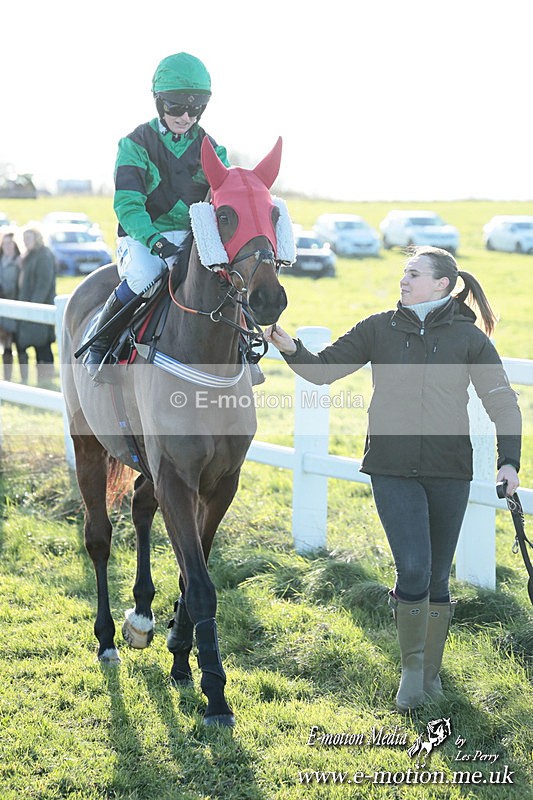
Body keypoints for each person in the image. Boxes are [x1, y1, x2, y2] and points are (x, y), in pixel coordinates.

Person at [265, 246, 521, 712]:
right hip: (392, 468)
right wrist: (290, 347)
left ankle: (431, 675)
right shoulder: (379, 327)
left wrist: (509, 461)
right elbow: (323, 371)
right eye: (404, 273)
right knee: (415, 569)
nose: (403, 281)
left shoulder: (469, 338)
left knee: (439, 577)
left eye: (414, 274)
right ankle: (410, 672)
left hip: (449, 471)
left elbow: (502, 400)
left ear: (442, 283)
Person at [83, 51, 229, 380]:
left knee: (227, 280)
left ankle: (244, 354)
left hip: (193, 238)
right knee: (146, 276)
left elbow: (220, 202)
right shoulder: (134, 144)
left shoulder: (213, 149)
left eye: (195, 107)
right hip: (142, 238)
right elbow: (128, 206)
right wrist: (158, 244)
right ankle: (101, 344)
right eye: (176, 105)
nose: (186, 115)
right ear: (158, 101)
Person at [16, 227, 57, 384]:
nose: (26, 241)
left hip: (39, 308)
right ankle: (39, 380)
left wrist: (33, 308)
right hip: (29, 308)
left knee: (43, 345)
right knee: (34, 343)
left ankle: (46, 379)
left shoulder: (44, 255)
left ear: (37, 238)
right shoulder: (30, 255)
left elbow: (43, 284)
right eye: (24, 238)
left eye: (29, 238)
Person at [0, 231, 22, 380]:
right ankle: (7, 379)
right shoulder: (1, 261)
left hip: (15, 306)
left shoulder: (20, 262)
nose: (8, 246)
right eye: (5, 243)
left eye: (10, 243)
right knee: (4, 345)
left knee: (16, 344)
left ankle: (22, 379)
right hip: (2, 308)